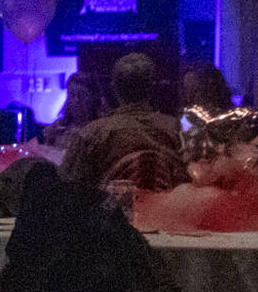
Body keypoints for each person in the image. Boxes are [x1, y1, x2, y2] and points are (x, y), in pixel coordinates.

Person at [61, 52, 187, 192]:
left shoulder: (92, 134)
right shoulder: (178, 130)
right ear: (153, 87)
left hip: (107, 206)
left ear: (114, 88)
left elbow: (69, 187)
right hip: (168, 206)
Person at [42, 70, 104, 149]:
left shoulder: (101, 128)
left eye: (81, 95)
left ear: (93, 98)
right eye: (72, 95)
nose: (76, 100)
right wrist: (49, 139)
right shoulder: (60, 126)